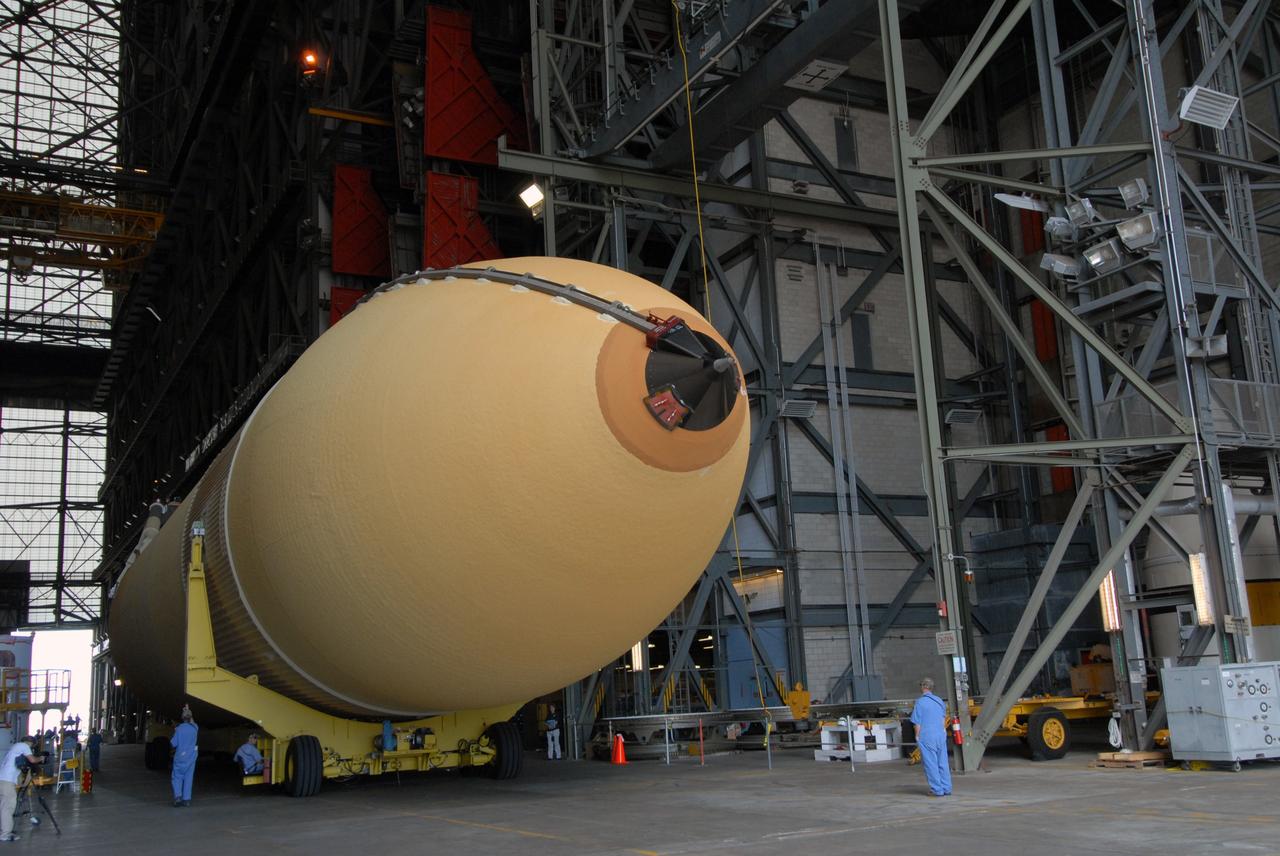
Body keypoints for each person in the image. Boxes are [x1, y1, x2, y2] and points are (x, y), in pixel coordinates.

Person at [910, 677, 952, 797]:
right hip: (940, 735)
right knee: (943, 762)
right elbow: (943, 718)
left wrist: (917, 736)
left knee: (931, 763)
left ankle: (937, 789)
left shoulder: (920, 702)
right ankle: (947, 788)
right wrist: (943, 730)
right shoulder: (939, 701)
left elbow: (917, 723)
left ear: (923, 687)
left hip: (927, 736)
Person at [0, 736, 43, 841]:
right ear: (30, 743)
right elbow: (32, 760)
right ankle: (5, 834)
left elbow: (20, 779)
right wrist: (41, 758)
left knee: (3, 806)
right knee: (8, 807)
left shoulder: (14, 750)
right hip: (7, 781)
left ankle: (3, 830)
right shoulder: (23, 746)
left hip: (3, 780)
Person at [170, 706, 199, 807]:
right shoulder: (195, 728)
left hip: (180, 757)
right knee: (188, 777)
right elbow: (193, 721)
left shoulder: (179, 729)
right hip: (192, 757)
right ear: (190, 717)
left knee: (177, 776)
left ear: (182, 718)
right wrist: (187, 710)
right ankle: (187, 800)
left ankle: (178, 797)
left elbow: (173, 743)